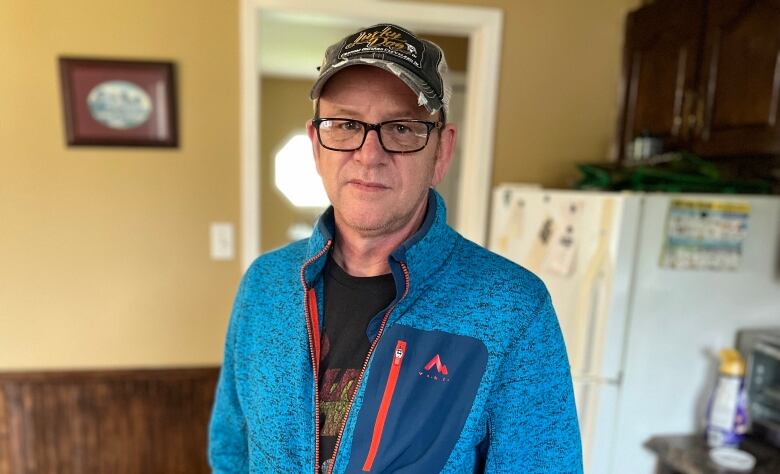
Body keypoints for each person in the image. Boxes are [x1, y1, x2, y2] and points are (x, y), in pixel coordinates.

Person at [208, 23, 582, 474]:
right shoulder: (265, 284)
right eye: (346, 125)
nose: (369, 154)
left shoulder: (513, 307)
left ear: (441, 152)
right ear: (316, 146)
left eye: (402, 128)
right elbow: (232, 450)